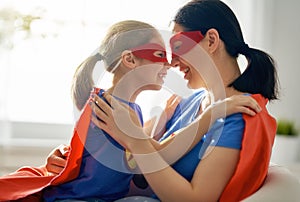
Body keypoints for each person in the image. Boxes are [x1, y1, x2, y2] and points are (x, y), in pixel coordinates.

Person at [0, 19, 259, 201]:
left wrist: (160, 119)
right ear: (130, 59)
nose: (170, 64)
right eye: (160, 55)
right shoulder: (109, 107)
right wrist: (211, 114)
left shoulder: (128, 109)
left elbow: (138, 150)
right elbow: (153, 151)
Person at [88, 0, 279, 201]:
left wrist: (136, 142)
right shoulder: (186, 104)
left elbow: (196, 199)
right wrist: (73, 166)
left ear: (211, 41)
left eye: (178, 46)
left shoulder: (239, 115)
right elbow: (144, 173)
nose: (171, 62)